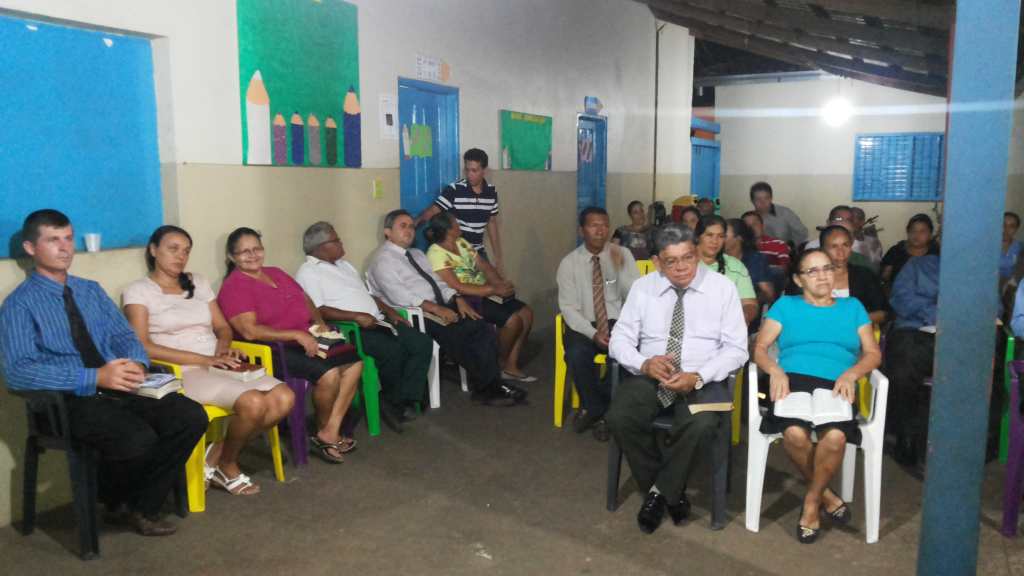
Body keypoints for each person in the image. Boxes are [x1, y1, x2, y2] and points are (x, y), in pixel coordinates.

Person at [0, 209, 207, 536]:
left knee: (189, 416)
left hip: (118, 386)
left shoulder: (90, 291)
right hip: (68, 400)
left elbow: (125, 336)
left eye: (68, 238)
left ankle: (137, 505)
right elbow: (18, 372)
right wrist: (93, 377)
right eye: (53, 240)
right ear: (30, 248)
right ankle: (119, 500)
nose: (65, 248)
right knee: (136, 437)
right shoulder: (19, 305)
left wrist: (136, 363)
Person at [124, 226, 294, 496]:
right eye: (173, 249)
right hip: (182, 371)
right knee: (254, 402)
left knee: (285, 397)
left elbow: (223, 328)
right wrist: (206, 358)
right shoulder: (138, 291)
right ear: (154, 250)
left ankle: (216, 458)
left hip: (216, 362)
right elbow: (143, 345)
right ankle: (229, 465)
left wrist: (223, 351)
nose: (180, 256)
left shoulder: (198, 282)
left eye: (186, 251)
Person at [606, 223, 748, 534]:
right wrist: (644, 363)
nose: (682, 267)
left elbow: (737, 349)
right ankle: (669, 490)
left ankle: (658, 494)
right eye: (672, 261)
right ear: (657, 262)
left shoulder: (722, 288)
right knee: (619, 417)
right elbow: (619, 340)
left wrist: (699, 375)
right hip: (651, 375)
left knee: (702, 424)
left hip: (702, 376)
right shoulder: (643, 288)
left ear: (697, 253)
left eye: (688, 257)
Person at [753, 249, 881, 543]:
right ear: (799, 280)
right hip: (792, 380)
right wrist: (774, 370)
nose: (823, 276)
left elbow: (873, 353)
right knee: (794, 434)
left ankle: (812, 499)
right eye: (813, 271)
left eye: (827, 268)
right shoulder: (786, 305)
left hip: (838, 382)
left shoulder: (852, 307)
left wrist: (852, 374)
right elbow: (759, 348)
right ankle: (826, 496)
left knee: (835, 438)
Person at [217, 227, 363, 464]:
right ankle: (324, 431)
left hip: (304, 338)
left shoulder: (275, 272)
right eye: (244, 252)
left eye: (256, 249)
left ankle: (329, 430)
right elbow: (249, 331)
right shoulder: (235, 286)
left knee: (354, 363)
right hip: (273, 348)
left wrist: (319, 322)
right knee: (329, 374)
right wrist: (295, 334)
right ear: (232, 257)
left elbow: (304, 298)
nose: (253, 255)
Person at [367, 209, 527, 406]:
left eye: (411, 226)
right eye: (403, 226)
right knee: (461, 332)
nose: (409, 230)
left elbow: (438, 282)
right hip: (418, 314)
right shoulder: (383, 261)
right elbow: (399, 296)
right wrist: (437, 309)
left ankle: (490, 384)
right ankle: (489, 387)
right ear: (387, 232)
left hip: (441, 305)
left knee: (481, 327)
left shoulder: (417, 254)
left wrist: (456, 298)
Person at [295, 221, 434, 434]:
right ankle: (395, 402)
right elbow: (318, 311)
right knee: (393, 350)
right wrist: (355, 316)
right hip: (351, 330)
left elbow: (368, 295)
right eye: (336, 240)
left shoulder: (345, 265)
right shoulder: (309, 272)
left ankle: (401, 398)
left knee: (421, 343)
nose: (341, 243)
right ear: (321, 247)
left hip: (378, 321)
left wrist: (390, 311)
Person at [557, 207, 640, 440]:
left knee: (625, 354)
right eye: (594, 225)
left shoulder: (622, 253)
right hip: (583, 322)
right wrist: (592, 333)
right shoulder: (569, 263)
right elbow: (568, 308)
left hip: (616, 320)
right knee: (576, 353)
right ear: (581, 230)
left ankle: (598, 408)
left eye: (604, 225)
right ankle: (598, 409)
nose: (600, 230)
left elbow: (635, 295)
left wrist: (619, 269)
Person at [424, 211, 535, 383]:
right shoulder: (435, 253)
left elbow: (484, 266)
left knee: (526, 314)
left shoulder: (461, 242)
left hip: (485, 291)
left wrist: (498, 284)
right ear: (448, 230)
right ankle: (496, 364)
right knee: (513, 321)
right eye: (456, 223)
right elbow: (456, 286)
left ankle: (510, 366)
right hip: (466, 299)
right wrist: (492, 289)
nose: (459, 225)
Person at [885, 253, 940, 468]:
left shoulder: (977, 269)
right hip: (916, 329)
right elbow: (901, 299)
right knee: (904, 365)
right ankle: (906, 436)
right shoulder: (918, 265)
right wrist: (936, 310)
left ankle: (963, 442)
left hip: (961, 334)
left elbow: (992, 307)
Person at [414, 148, 503, 271]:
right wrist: (413, 224)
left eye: (474, 170)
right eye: (467, 170)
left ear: (484, 171)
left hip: (478, 251)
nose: (469, 174)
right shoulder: (454, 190)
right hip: (456, 251)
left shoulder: (491, 192)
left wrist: (497, 256)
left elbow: (491, 222)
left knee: (494, 280)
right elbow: (433, 211)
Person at [813, 225, 886, 325]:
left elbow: (883, 313)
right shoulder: (811, 277)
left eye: (845, 245)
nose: (841, 253)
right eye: (834, 247)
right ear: (822, 249)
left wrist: (852, 320)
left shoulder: (864, 275)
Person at [695, 215, 759, 325]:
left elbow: (749, 303)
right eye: (709, 235)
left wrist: (743, 317)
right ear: (697, 236)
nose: (715, 241)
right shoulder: (684, 263)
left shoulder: (735, 266)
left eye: (720, 236)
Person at [803, 205, 873, 271]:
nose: (841, 253)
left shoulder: (862, 251)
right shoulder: (812, 249)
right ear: (828, 222)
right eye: (839, 218)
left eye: (849, 220)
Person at [880, 213, 939, 289]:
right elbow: (884, 278)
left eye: (922, 231)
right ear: (907, 232)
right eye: (913, 230)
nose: (916, 235)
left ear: (930, 235)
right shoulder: (896, 251)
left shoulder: (935, 253)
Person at [725, 218, 775, 306]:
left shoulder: (755, 259)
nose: (717, 239)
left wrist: (746, 300)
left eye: (724, 235)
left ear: (739, 238)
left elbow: (768, 294)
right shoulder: (715, 258)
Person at [749, 181, 809, 247]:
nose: (763, 203)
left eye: (766, 198)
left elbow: (803, 232)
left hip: (786, 250)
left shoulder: (784, 213)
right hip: (760, 252)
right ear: (752, 201)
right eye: (758, 199)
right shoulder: (749, 219)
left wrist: (789, 245)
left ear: (771, 198)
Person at [1001, 212, 1022, 280]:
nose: (1006, 229)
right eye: (1003, 224)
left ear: (1016, 229)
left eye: (1012, 226)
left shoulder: (1019, 247)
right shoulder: (988, 246)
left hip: (1011, 283)